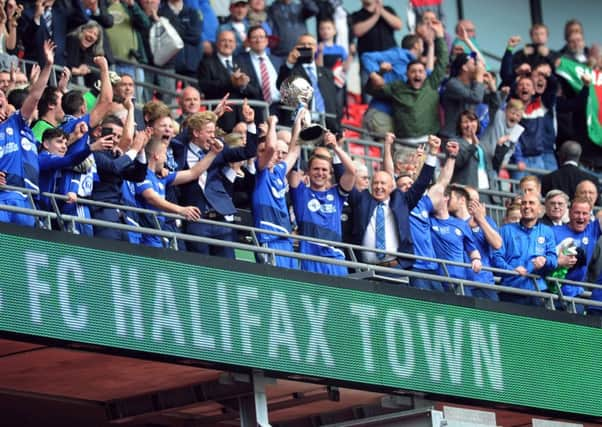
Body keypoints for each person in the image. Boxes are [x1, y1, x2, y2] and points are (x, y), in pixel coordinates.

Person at [349, 132, 439, 270]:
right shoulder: (363, 200)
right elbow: (344, 180)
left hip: (395, 269)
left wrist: (432, 153)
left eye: (383, 184)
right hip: (365, 270)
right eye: (375, 183)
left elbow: (421, 182)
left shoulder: (401, 201)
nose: (379, 187)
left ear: (392, 187)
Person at [178, 103, 258, 258]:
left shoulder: (220, 150)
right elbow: (177, 139)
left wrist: (250, 123)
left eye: (213, 131)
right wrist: (213, 114)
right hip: (196, 220)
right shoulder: (181, 150)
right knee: (201, 270)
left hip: (221, 221)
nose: (213, 136)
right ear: (195, 133)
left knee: (228, 271)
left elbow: (249, 151)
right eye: (209, 132)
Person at [0, 39, 55, 227]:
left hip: (26, 200)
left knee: (20, 254)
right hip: (2, 199)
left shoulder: (16, 122)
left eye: (2, 102)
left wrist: (48, 66)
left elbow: (34, 97)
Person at [367, 18, 446, 144]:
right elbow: (372, 90)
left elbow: (442, 62)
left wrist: (440, 36)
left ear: (425, 74)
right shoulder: (398, 87)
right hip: (403, 145)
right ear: (407, 74)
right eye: (413, 71)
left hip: (428, 145)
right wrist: (379, 73)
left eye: (421, 71)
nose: (417, 74)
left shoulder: (430, 84)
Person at [135, 133, 222, 247]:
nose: (166, 158)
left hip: (158, 234)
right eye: (164, 154)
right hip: (145, 235)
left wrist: (213, 153)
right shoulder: (142, 175)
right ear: (156, 156)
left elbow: (193, 173)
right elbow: (151, 198)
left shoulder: (161, 177)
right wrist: (180, 210)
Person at [289, 131, 356, 275]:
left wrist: (336, 147)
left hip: (336, 259)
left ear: (330, 173)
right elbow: (293, 165)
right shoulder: (301, 193)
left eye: (324, 169)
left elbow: (352, 171)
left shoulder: (336, 194)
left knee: (337, 298)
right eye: (316, 169)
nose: (320, 173)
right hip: (310, 259)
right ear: (308, 171)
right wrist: (300, 136)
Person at [252, 113, 301, 268]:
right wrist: (272, 123)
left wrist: (299, 121)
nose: (275, 155)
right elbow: (271, 147)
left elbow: (294, 152)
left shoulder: (279, 171)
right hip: (268, 236)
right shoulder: (260, 171)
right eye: (271, 153)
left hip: (285, 237)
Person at [493, 193, 557, 305]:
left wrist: (544, 261)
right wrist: (511, 270)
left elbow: (554, 260)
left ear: (540, 209)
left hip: (538, 291)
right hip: (510, 290)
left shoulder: (547, 232)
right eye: (524, 203)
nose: (527, 206)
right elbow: (496, 257)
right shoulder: (505, 230)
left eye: (531, 203)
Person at [276, 33, 341, 133]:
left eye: (310, 44)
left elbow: (334, 103)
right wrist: (289, 64)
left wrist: (338, 129)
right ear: (296, 47)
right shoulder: (291, 69)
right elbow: (281, 86)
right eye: (302, 44)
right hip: (300, 125)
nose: (306, 47)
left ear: (316, 48)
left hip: (326, 127)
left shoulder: (326, 73)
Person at [451, 185, 501, 300]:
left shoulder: (486, 220)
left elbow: (497, 244)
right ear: (462, 199)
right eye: (472, 199)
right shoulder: (450, 221)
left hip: (483, 281)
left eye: (477, 201)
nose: (475, 204)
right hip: (458, 281)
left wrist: (481, 219)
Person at [430, 184, 482, 293]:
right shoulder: (428, 221)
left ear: (445, 198)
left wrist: (476, 260)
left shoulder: (461, 224)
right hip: (437, 279)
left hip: (460, 279)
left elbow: (472, 249)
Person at [351, 0, 402, 103]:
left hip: (390, 61)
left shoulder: (388, 10)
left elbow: (398, 25)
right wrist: (375, 16)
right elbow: (357, 31)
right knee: (369, 96)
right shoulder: (357, 15)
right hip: (368, 63)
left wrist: (381, 10)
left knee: (395, 94)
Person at [197, 29, 247, 132]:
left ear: (235, 44)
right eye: (223, 40)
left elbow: (254, 88)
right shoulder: (206, 63)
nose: (227, 44)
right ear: (217, 43)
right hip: (221, 119)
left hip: (242, 119)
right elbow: (205, 86)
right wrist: (231, 81)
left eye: (230, 41)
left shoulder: (242, 62)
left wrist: (244, 84)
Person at [553, 197, 601, 299]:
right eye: (577, 213)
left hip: (579, 294)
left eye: (585, 213)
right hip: (553, 291)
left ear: (590, 215)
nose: (581, 217)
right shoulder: (553, 231)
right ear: (569, 213)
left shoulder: (592, 230)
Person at [235, 25, 280, 122]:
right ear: (248, 41)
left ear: (267, 40)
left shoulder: (277, 60)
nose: (258, 40)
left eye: (261, 37)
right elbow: (241, 84)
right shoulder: (240, 59)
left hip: (278, 108)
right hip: (255, 108)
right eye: (254, 37)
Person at [266, 0, 319, 70]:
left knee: (302, 78)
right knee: (283, 77)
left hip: (302, 52)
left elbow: (314, 10)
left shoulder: (300, 7)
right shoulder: (272, 8)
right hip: (280, 53)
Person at [66, 20, 106, 88]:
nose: (91, 36)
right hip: (65, 81)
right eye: (90, 32)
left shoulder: (94, 52)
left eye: (95, 35)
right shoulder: (72, 40)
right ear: (82, 30)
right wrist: (78, 71)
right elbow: (66, 65)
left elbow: (93, 71)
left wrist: (86, 68)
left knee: (99, 81)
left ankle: (88, 99)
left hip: (82, 89)